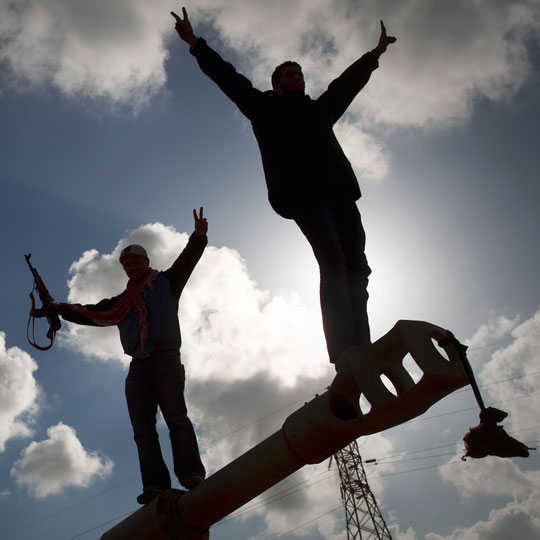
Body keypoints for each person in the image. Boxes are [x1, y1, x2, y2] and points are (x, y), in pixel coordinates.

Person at [171, 7, 396, 369]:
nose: (297, 79)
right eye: (290, 76)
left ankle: (363, 346)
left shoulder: (318, 111)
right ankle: (343, 350)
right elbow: (229, 78)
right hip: (304, 196)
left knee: (358, 267)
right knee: (334, 262)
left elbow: (344, 87)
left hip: (339, 192)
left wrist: (374, 55)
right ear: (277, 83)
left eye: (300, 76)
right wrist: (196, 44)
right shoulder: (264, 108)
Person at [47, 208, 208, 504]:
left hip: (165, 359)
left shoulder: (167, 283)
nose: (132, 267)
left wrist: (198, 238)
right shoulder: (121, 302)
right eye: (127, 264)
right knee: (143, 431)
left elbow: (186, 262)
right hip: (138, 366)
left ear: (147, 262)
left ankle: (191, 474)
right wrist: (57, 307)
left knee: (176, 418)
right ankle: (155, 486)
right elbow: (91, 312)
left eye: (136, 261)